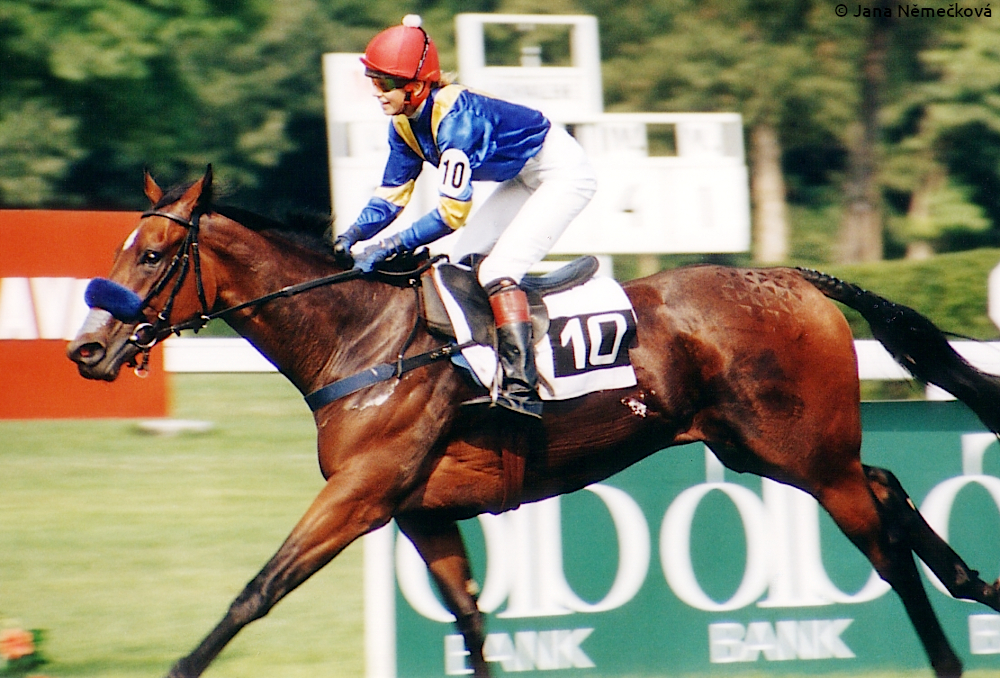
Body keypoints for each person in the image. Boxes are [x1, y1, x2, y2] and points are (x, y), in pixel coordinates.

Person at [334, 15, 597, 419]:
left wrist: (392, 244)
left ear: (416, 86)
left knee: (496, 271)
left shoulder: (457, 121)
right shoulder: (404, 124)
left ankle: (521, 387)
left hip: (562, 173)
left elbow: (452, 214)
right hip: (523, 176)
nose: (376, 92)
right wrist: (350, 235)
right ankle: (477, 369)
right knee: (458, 267)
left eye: (384, 83)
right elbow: (391, 196)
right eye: (373, 81)